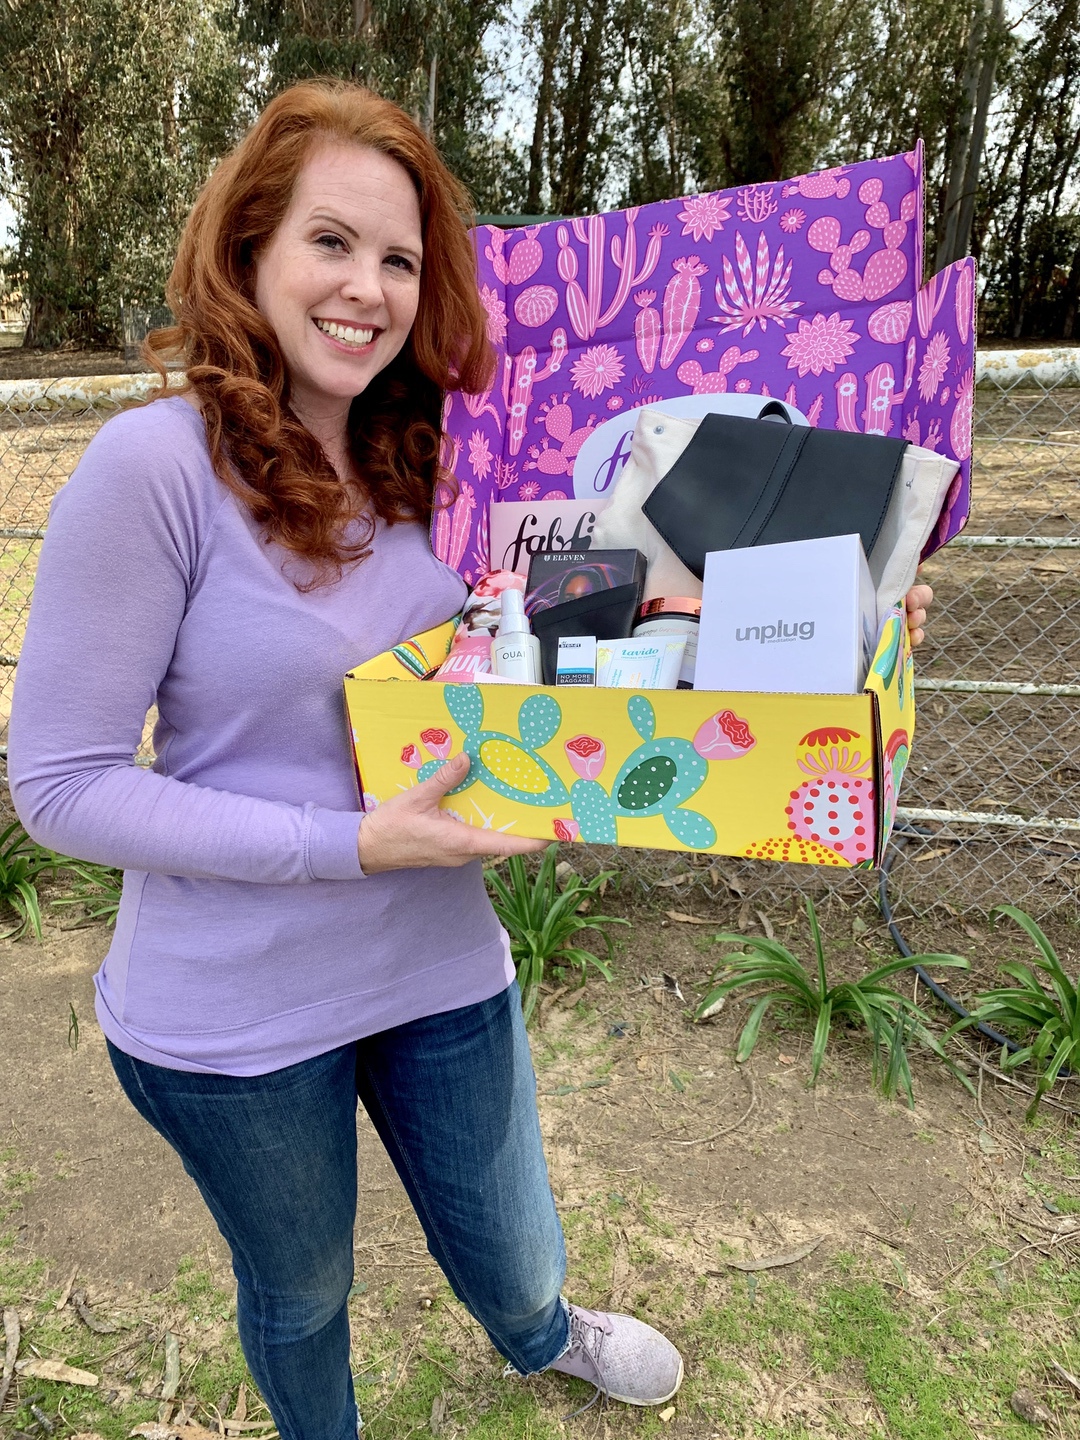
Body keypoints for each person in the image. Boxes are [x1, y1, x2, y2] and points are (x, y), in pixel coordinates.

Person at [7, 81, 934, 1440]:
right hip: (232, 1016)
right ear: (249, 247)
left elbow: (625, 616)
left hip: (436, 953)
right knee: (305, 1288)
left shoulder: (448, 459)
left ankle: (539, 1335)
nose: (369, 289)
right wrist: (353, 843)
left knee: (512, 1246)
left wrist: (856, 602)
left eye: (401, 259)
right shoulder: (149, 471)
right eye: (332, 242)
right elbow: (60, 786)